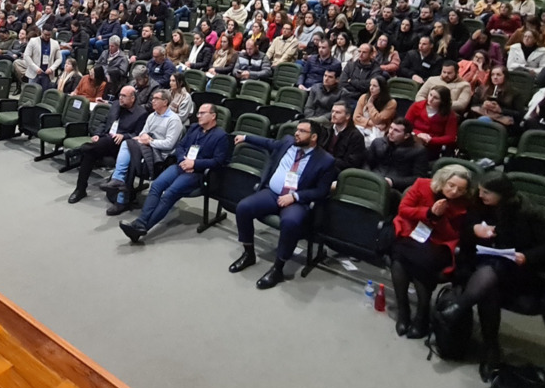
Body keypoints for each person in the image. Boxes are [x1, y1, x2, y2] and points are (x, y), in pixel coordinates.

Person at [435, 173, 545, 380]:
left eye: (486, 192)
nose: (480, 195)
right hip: (481, 262)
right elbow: (465, 232)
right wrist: (475, 230)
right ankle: (491, 349)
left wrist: (526, 256)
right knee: (489, 286)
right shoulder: (478, 205)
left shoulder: (527, 213)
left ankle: (462, 308)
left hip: (516, 269)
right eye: (480, 190)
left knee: (492, 276)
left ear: (502, 195)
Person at [228, 121, 337, 289]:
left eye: (302, 131)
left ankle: (278, 268)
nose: (297, 133)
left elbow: (322, 191)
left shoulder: (325, 160)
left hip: (297, 201)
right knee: (244, 208)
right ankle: (248, 253)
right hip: (272, 193)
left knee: (290, 222)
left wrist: (295, 196)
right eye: (297, 129)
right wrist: (245, 137)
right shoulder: (287, 143)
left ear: (314, 137)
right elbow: (267, 142)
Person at [119, 104, 230, 242]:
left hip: (197, 173)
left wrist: (194, 164)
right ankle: (140, 222)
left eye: (202, 113)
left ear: (213, 116)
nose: (198, 115)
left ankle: (142, 228)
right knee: (156, 186)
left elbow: (219, 162)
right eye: (198, 113)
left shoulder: (221, 136)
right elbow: (181, 146)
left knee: (170, 193)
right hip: (181, 166)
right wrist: (183, 160)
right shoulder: (195, 128)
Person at [390, 165, 473, 338]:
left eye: (460, 189)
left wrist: (439, 217)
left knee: (420, 264)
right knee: (399, 260)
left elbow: (454, 233)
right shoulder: (422, 184)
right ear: (443, 180)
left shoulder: (464, 203)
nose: (454, 191)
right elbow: (403, 210)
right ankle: (403, 311)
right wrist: (429, 213)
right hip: (413, 232)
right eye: (451, 185)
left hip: (440, 242)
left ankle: (421, 316)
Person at [101, 90, 184, 216]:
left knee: (128, 150)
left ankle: (120, 192)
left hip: (160, 157)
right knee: (128, 146)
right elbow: (142, 133)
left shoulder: (174, 120)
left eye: (156, 98)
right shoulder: (152, 116)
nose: (152, 101)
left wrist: (150, 141)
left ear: (165, 102)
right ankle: (120, 190)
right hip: (145, 150)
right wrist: (144, 139)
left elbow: (169, 144)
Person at [68, 86, 149, 204]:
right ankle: (80, 189)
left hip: (121, 146)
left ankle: (81, 149)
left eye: (124, 96)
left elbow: (138, 134)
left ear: (133, 98)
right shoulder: (115, 105)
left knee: (101, 143)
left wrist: (124, 136)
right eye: (120, 95)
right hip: (104, 141)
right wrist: (97, 134)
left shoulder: (141, 114)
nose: (120, 98)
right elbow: (104, 122)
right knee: (89, 153)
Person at [366, 118, 429, 194]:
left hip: (396, 187)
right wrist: (368, 175)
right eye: (391, 128)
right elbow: (366, 163)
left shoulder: (418, 151)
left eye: (396, 131)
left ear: (406, 136)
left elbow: (419, 178)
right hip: (374, 179)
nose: (391, 132)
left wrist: (393, 182)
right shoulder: (378, 143)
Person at [405, 85, 459, 158]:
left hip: (433, 146)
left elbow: (450, 137)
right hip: (413, 140)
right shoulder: (417, 106)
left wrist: (430, 140)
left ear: (443, 101)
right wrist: (418, 134)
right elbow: (406, 125)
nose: (430, 99)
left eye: (435, 98)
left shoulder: (450, 115)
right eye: (430, 95)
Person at [323, 102, 366, 173]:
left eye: (338, 112)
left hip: (340, 171)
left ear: (347, 116)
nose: (333, 115)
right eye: (332, 111)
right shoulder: (327, 130)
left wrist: (328, 160)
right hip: (324, 165)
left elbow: (352, 163)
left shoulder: (356, 136)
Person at [353, 76, 397, 142]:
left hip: (379, 131)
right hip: (361, 127)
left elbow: (378, 120)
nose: (371, 88)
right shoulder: (363, 97)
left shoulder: (391, 103)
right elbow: (356, 117)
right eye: (370, 85)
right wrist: (372, 123)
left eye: (375, 86)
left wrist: (370, 104)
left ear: (382, 88)